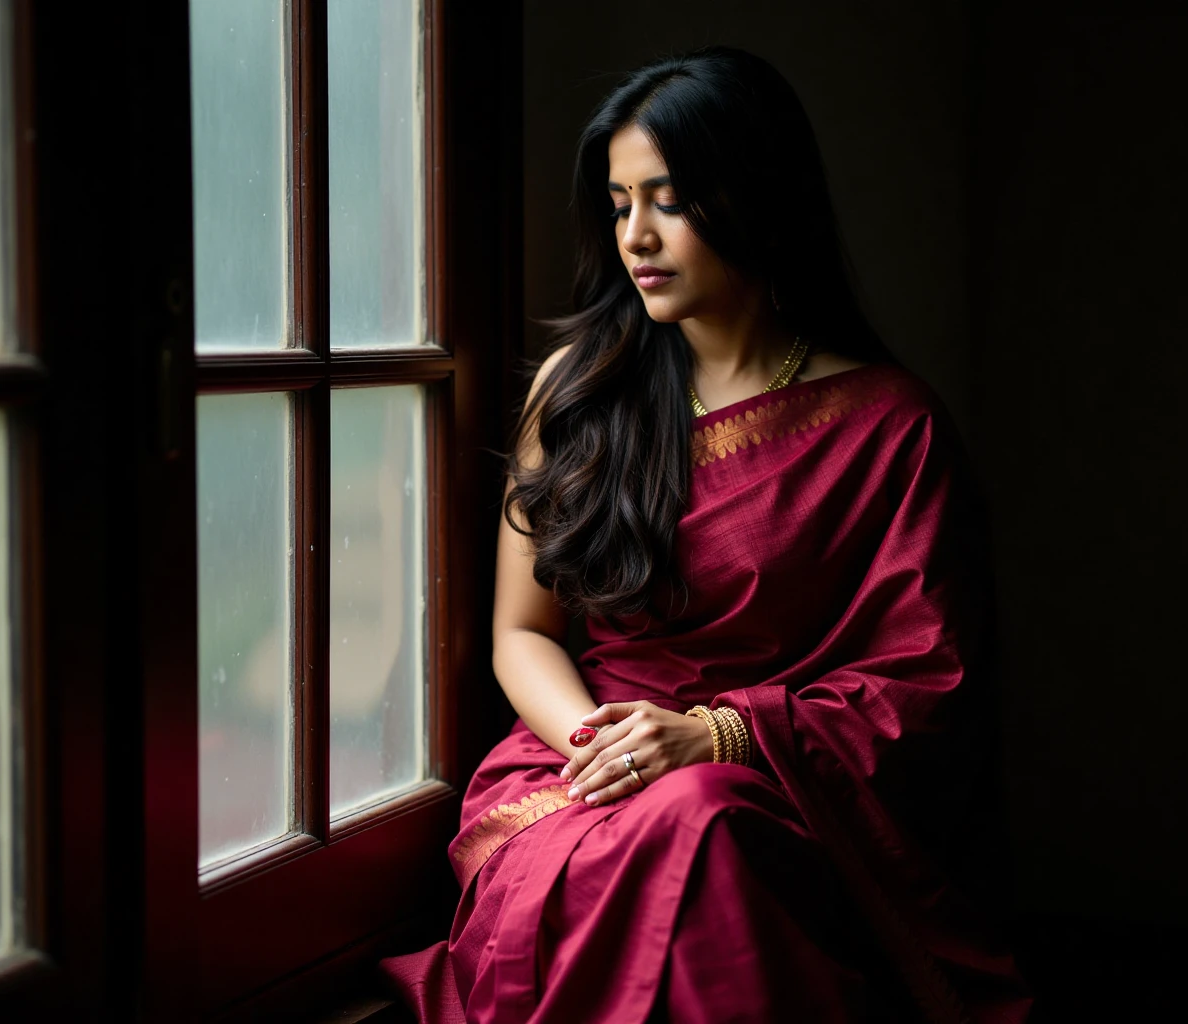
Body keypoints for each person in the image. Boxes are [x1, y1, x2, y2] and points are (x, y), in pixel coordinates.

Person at [382, 46, 1031, 1023]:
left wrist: (711, 737)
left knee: (703, 828)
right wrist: (607, 751)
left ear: (756, 197)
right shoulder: (579, 391)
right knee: (653, 835)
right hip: (574, 764)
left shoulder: (892, 426)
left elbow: (923, 687)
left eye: (669, 200)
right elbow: (523, 631)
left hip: (766, 789)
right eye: (618, 203)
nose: (636, 236)